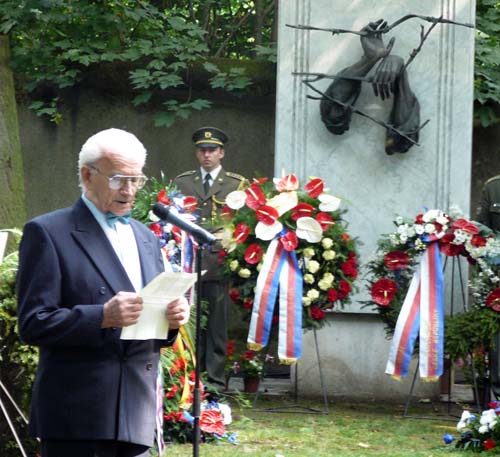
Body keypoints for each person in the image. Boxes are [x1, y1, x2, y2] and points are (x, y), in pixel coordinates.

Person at [16, 128, 190, 457]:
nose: (129, 190)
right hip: (77, 415)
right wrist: (101, 317)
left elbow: (149, 320)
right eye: (118, 180)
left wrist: (171, 320)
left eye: (136, 179)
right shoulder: (48, 232)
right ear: (87, 175)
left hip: (136, 412)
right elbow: (33, 323)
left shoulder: (145, 237)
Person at [173, 126, 246, 390]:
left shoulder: (236, 185)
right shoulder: (182, 182)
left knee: (216, 324)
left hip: (219, 262)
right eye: (202, 150)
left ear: (221, 153)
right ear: (197, 153)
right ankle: (189, 379)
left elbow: (242, 225)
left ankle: (214, 382)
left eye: (212, 150)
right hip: (189, 261)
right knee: (188, 320)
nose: (207, 155)